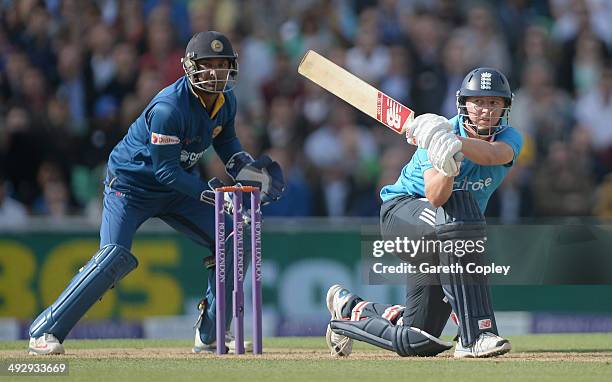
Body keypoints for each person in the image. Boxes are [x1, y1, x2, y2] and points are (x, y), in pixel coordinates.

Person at [28, 31, 285, 355]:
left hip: (174, 188)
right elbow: (164, 170)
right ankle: (44, 330)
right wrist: (216, 194)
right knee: (114, 256)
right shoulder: (169, 107)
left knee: (235, 236)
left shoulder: (226, 101)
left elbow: (227, 144)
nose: (215, 73)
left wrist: (247, 170)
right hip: (131, 187)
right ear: (189, 67)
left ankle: (211, 333)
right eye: (207, 65)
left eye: (222, 65)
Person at [325, 68, 523, 358]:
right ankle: (476, 335)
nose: (485, 110)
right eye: (478, 102)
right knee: (458, 211)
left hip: (447, 235)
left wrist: (454, 144)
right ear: (464, 104)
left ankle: (350, 311)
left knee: (417, 335)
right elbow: (435, 196)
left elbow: (494, 155)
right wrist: (445, 162)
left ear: (505, 107)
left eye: (494, 103)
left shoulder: (509, 136)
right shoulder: (433, 140)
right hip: (402, 214)